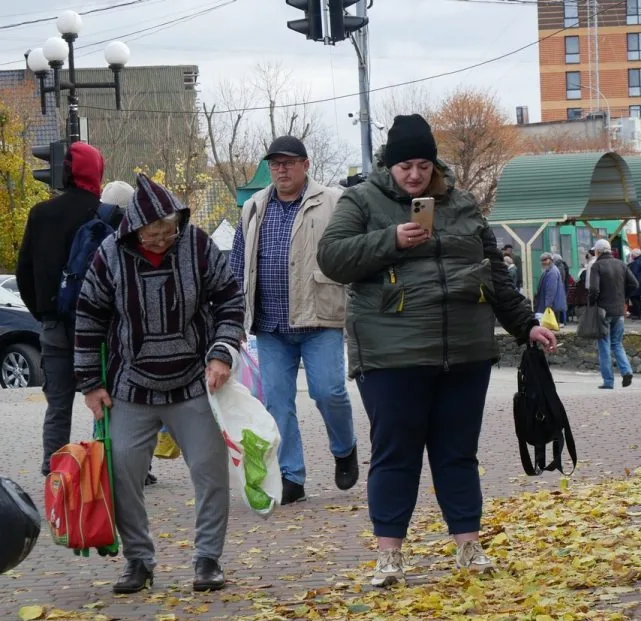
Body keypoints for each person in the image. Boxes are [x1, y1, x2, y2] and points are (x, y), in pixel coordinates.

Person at [317, 114, 557, 588]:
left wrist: (526, 325)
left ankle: (469, 545)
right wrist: (391, 239)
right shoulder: (361, 200)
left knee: (458, 453)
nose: (414, 175)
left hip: (465, 352)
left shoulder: (463, 204)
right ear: (389, 165)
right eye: (405, 166)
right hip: (392, 354)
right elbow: (332, 258)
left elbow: (495, 275)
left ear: (434, 164)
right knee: (395, 454)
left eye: (423, 166)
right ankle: (389, 556)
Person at [74, 174, 244, 594]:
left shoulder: (197, 245)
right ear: (134, 229)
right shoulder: (110, 254)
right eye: (153, 234)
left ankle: (208, 559)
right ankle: (138, 560)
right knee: (121, 474)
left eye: (169, 231)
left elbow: (229, 299)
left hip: (193, 382)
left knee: (210, 473)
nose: (163, 240)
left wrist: (221, 352)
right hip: (131, 385)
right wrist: (90, 383)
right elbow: (89, 317)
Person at [229, 136, 357, 506]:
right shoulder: (253, 206)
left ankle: (344, 447)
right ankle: (291, 476)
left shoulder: (333, 201)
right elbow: (237, 264)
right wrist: (234, 317)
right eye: (275, 164)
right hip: (270, 326)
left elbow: (351, 252)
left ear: (305, 164)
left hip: (320, 318)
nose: (281, 170)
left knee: (328, 391)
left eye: (288, 163)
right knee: (277, 403)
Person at [16, 141, 106, 476]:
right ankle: (118, 468)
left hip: (54, 325)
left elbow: (24, 273)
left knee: (58, 405)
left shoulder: (41, 214)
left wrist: (44, 314)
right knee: (108, 399)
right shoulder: (105, 213)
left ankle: (54, 472)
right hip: (99, 328)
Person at [100, 180, 162, 487]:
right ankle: (137, 467)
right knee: (141, 404)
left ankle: (109, 465)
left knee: (112, 406)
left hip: (107, 336)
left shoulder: (94, 233)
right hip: (132, 336)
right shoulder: (130, 240)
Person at [588, 238, 638, 390]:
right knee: (617, 343)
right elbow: (634, 284)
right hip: (619, 311)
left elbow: (594, 289)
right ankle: (627, 371)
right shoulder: (621, 264)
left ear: (598, 251)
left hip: (603, 311)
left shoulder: (597, 266)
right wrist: (623, 297)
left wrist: (592, 303)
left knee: (604, 345)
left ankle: (608, 381)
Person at [535, 253, 567, 322]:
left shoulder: (552, 272)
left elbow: (551, 290)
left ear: (551, 260)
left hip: (551, 306)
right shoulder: (548, 270)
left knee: (551, 325)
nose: (543, 262)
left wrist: (548, 305)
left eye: (545, 260)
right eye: (541, 260)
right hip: (550, 304)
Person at [627, 248, 641, 320]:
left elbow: (633, 274)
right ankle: (636, 313)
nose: (631, 256)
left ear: (635, 255)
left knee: (634, 298)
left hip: (636, 283)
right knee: (636, 298)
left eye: (632, 255)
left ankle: (637, 314)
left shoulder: (636, 263)